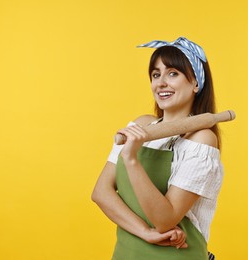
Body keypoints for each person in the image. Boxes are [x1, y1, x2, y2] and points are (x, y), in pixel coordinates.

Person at [92, 37, 223, 260]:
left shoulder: (201, 140)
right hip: (126, 254)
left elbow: (165, 219)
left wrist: (131, 159)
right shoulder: (141, 125)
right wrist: (145, 232)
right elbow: (101, 193)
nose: (161, 82)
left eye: (173, 73)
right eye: (156, 74)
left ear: (196, 83)